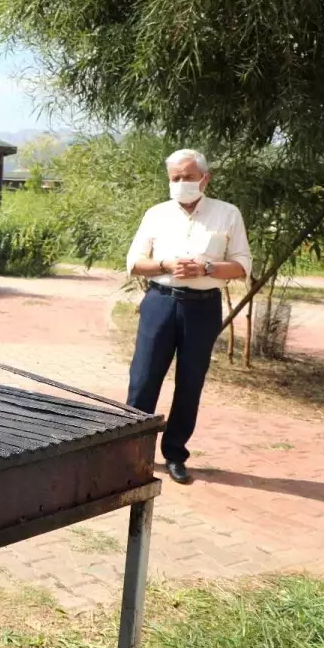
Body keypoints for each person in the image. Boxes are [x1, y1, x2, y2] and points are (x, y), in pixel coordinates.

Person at [125, 149, 251, 485]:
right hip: (160, 303)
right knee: (143, 378)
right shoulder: (156, 214)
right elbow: (134, 263)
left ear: (204, 178)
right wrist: (166, 265)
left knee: (190, 382)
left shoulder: (227, 214)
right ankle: (132, 453)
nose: (181, 183)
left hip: (203, 306)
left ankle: (175, 454)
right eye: (175, 178)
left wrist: (206, 267)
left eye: (188, 177)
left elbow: (242, 266)